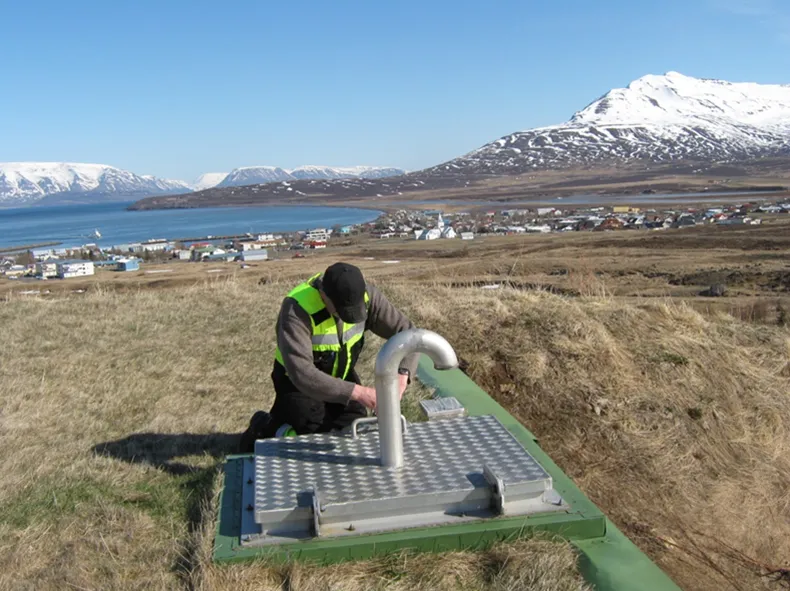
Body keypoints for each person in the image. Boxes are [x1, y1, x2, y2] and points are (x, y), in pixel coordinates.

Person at [239, 262, 419, 452]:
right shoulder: (296, 309)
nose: (348, 316)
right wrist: (359, 393)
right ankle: (266, 426)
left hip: (340, 376)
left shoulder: (367, 297)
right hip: (296, 383)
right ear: (324, 294)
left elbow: (408, 334)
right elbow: (302, 373)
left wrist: (400, 382)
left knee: (355, 426)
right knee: (315, 438)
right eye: (342, 310)